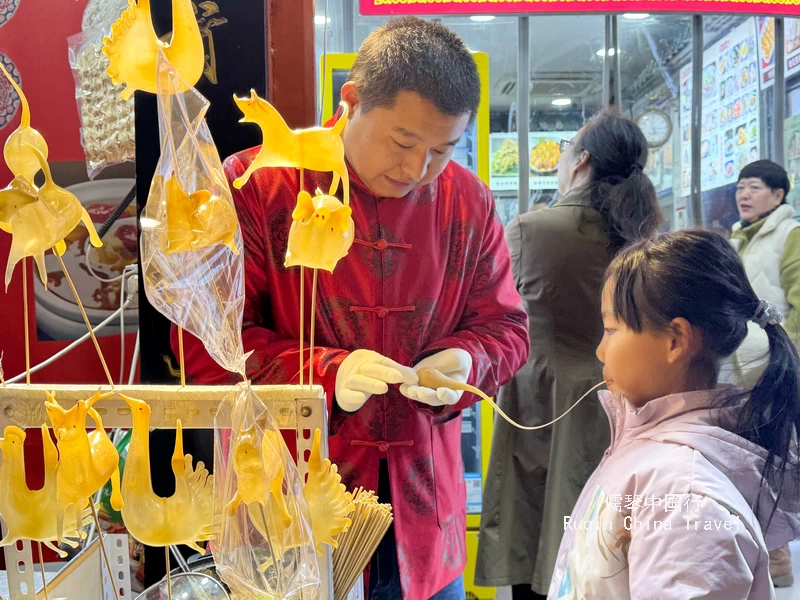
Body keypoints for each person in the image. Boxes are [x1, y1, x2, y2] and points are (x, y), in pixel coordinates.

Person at [175, 16, 529, 600]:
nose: (417, 170)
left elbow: (507, 328)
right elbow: (206, 349)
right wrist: (326, 373)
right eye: (403, 142)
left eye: (442, 150)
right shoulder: (257, 185)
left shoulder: (467, 200)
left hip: (426, 515)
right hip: (287, 515)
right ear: (352, 100)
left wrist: (467, 360)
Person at [549, 230, 800, 598]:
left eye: (610, 329)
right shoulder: (648, 446)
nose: (601, 351)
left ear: (675, 340)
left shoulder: (688, 502)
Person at [476, 110, 661, 599]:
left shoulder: (534, 230)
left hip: (543, 405)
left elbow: (490, 314)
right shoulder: (646, 234)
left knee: (538, 538)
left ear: (580, 162)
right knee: (609, 546)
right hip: (628, 404)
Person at [729, 159, 800, 586]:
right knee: (745, 460)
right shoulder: (738, 238)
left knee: (772, 460)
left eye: (753, 187)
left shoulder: (790, 236)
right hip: (738, 364)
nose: (744, 195)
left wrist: (786, 358)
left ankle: (777, 557)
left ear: (779, 194)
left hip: (773, 366)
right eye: (740, 187)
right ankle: (756, 553)